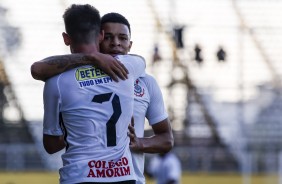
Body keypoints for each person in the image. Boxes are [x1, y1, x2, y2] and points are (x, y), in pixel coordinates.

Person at [31, 12, 174, 184]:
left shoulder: (146, 82)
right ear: (98, 39)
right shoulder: (74, 79)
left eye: (122, 38)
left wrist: (140, 143)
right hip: (98, 176)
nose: (116, 43)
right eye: (109, 37)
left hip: (131, 178)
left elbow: (166, 138)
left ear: (130, 44)